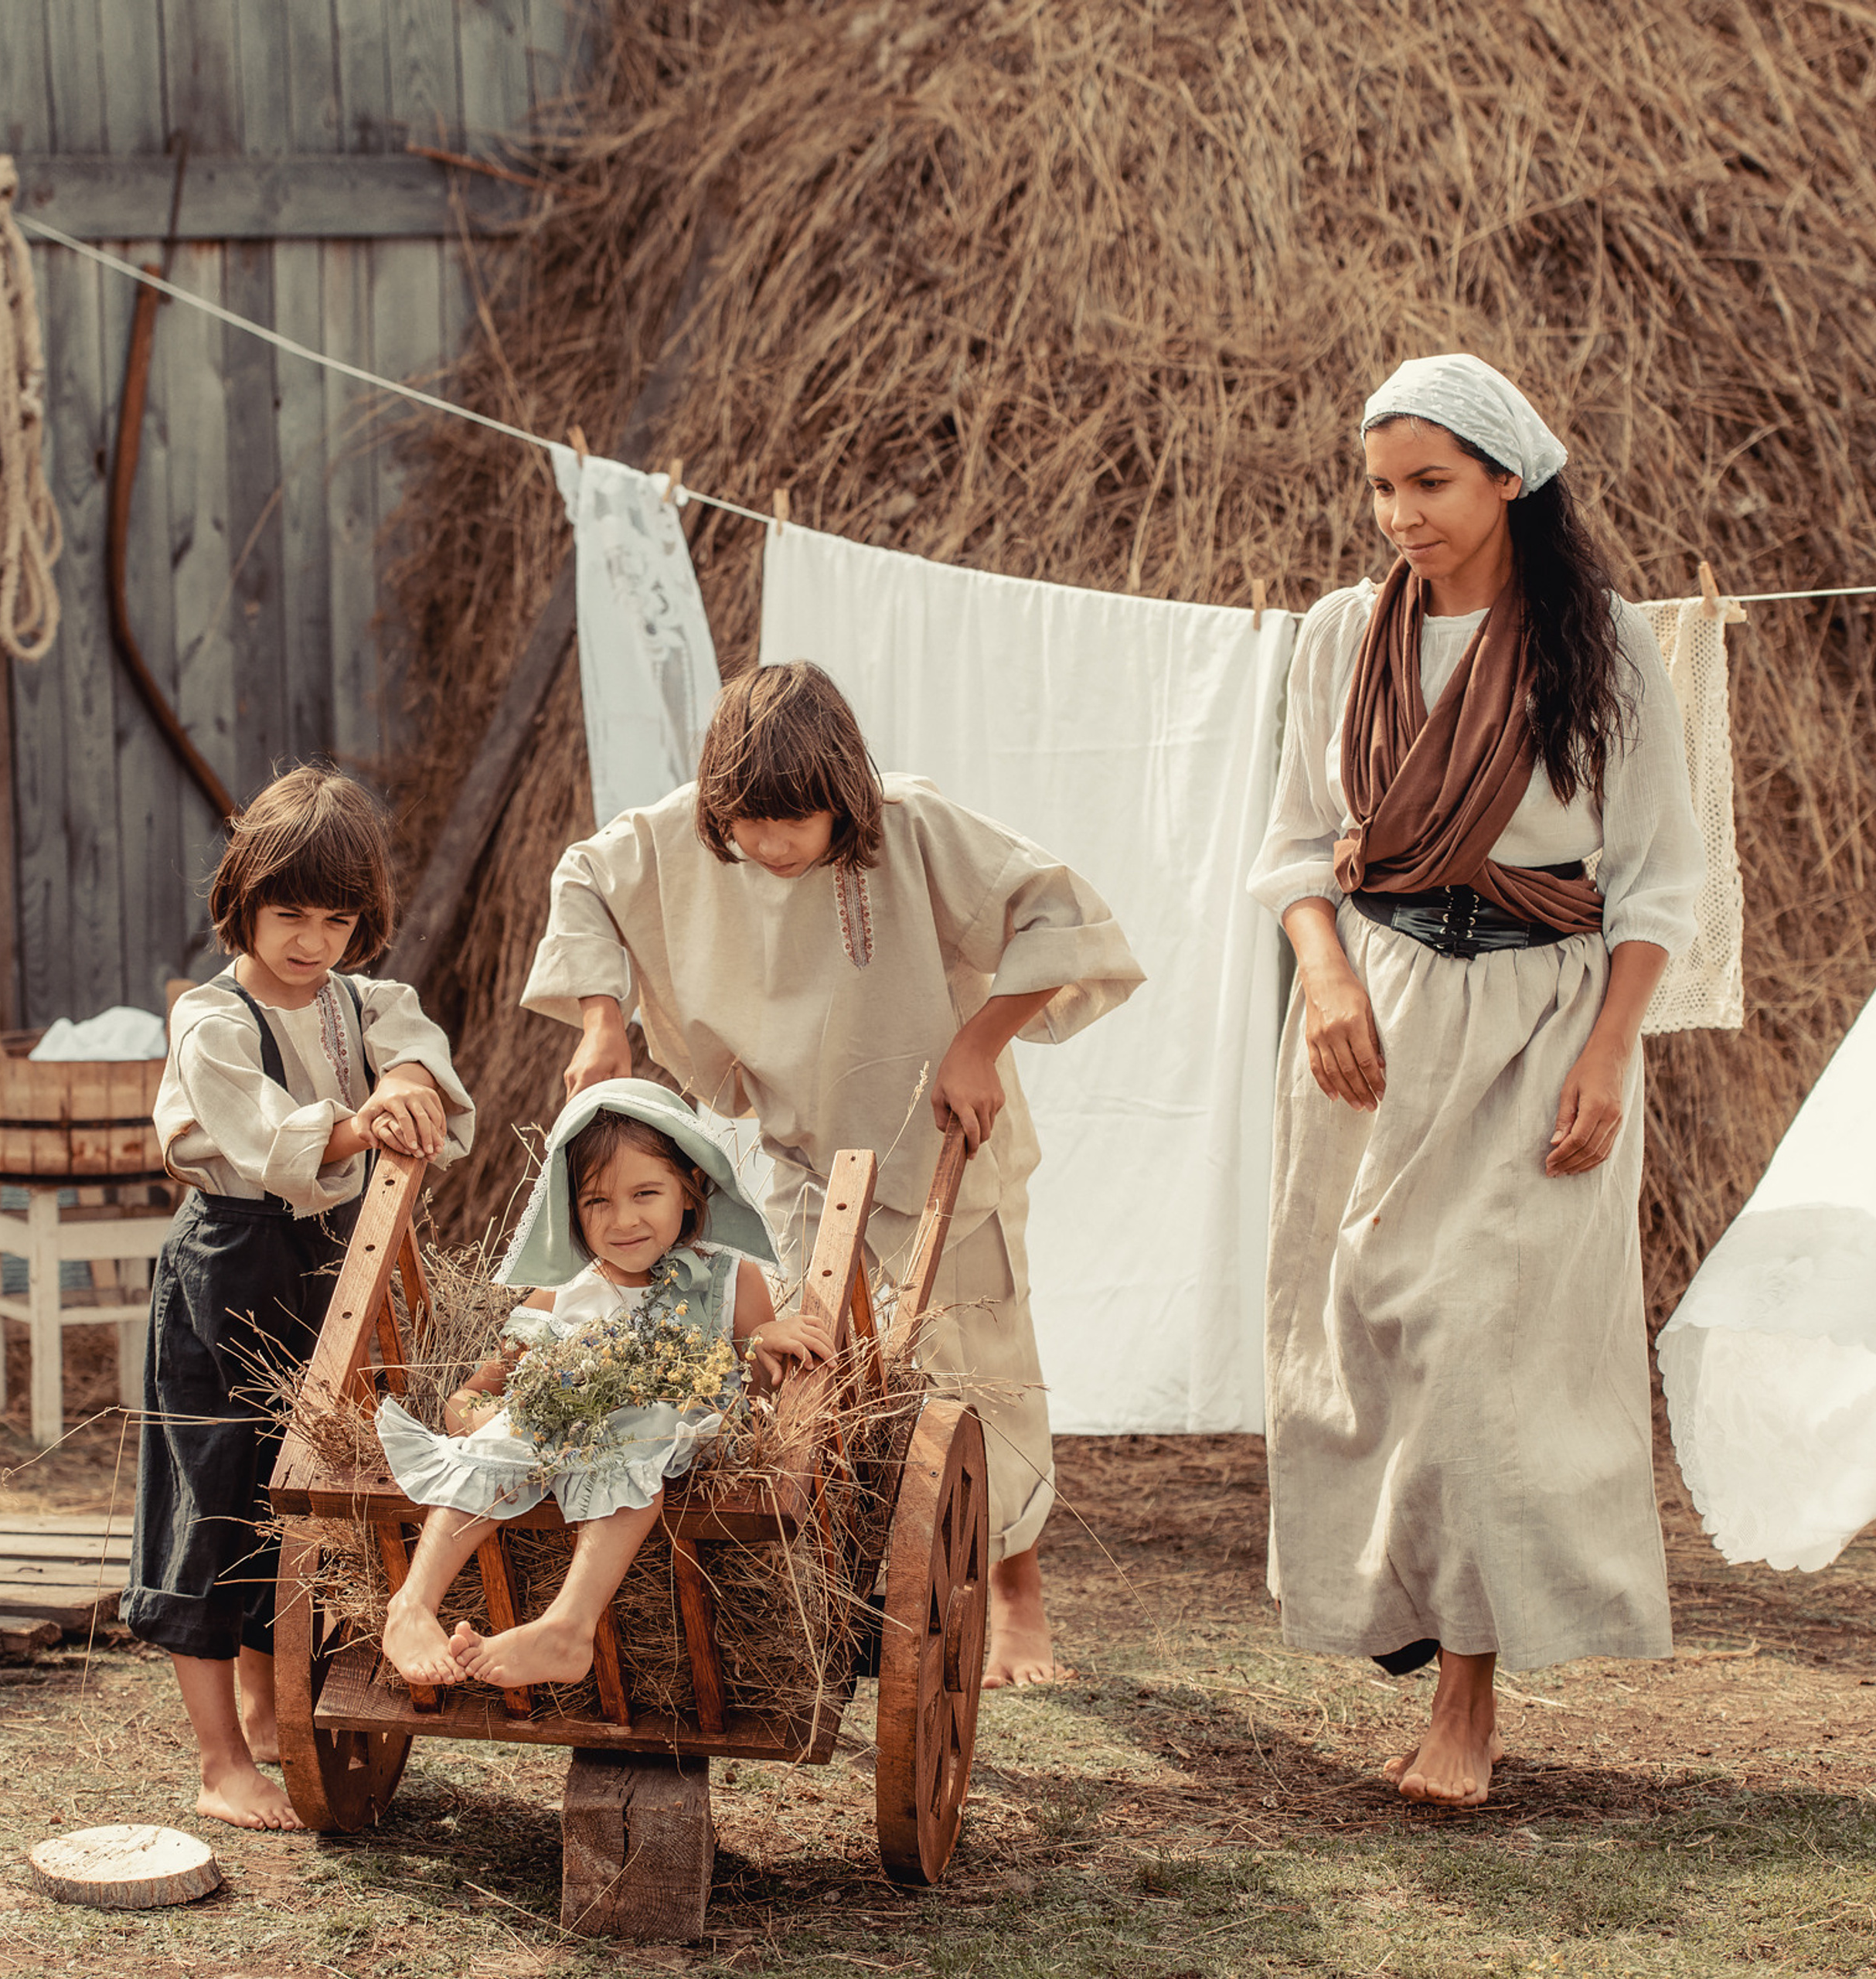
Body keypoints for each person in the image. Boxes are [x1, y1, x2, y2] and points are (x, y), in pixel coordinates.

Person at [1247, 355, 1704, 1806]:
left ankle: (1468, 1703)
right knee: (1367, 1340)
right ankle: (1407, 1629)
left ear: (1512, 480)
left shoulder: (1605, 647)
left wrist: (1610, 1053)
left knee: (1478, 1356)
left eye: (1430, 482)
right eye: (1381, 485)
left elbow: (1657, 884)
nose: (1399, 514)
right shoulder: (1340, 637)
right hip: (1370, 1019)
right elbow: (1292, 843)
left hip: (1541, 1022)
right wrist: (1324, 983)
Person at [522, 662, 1145, 1687]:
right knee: (825, 1375)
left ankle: (1017, 1589)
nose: (766, 844)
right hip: (812, 1156)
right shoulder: (690, 833)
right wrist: (602, 1016)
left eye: (793, 824)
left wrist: (981, 1041)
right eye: (745, 823)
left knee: (977, 1375)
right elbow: (585, 880)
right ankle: (856, 1591)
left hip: (942, 1135)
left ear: (844, 797)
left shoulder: (914, 825)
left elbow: (1055, 915)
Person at [121, 766, 477, 1831]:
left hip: (333, 1268)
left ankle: (271, 1706)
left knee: (307, 1487)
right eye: (290, 916)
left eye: (337, 919)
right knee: (211, 1494)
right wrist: (363, 1125)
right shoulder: (211, 1020)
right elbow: (262, 1133)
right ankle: (221, 1762)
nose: (313, 941)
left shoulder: (358, 1001)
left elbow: (412, 1043)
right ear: (243, 902)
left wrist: (408, 1082)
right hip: (227, 1270)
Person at [375, 1080, 833, 1688]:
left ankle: (568, 1626)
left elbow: (757, 1406)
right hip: (560, 1441)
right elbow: (475, 1393)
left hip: (664, 1442)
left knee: (641, 1427)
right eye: (596, 1202)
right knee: (510, 1432)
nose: (623, 1220)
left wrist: (764, 1341)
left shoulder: (728, 1280)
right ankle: (411, 1605)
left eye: (647, 1193)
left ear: (691, 1191)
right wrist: (487, 1419)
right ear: (571, 1211)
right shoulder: (563, 1293)